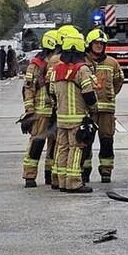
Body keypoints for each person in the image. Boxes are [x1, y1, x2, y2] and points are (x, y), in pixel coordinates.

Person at [50, 30, 97, 193]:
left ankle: (60, 181)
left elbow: (51, 91)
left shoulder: (56, 69)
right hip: (78, 117)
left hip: (61, 117)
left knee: (61, 148)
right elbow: (89, 93)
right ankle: (74, 182)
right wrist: (93, 109)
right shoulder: (82, 69)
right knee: (76, 149)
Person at [79, 29, 123, 183]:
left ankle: (106, 171)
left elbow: (118, 82)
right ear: (89, 44)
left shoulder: (112, 63)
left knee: (107, 141)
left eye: (102, 44)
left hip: (107, 111)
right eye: (96, 43)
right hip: (87, 110)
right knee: (86, 141)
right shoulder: (82, 62)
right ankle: (84, 171)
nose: (99, 46)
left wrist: (109, 95)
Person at [19, 30, 59, 187]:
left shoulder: (58, 62)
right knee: (36, 144)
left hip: (56, 112)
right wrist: (29, 110)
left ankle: (50, 175)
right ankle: (29, 175)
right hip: (40, 112)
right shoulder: (36, 64)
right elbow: (28, 88)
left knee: (55, 146)